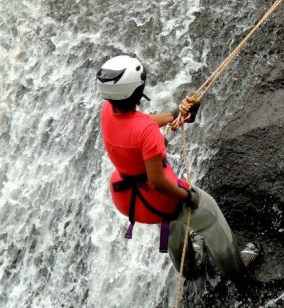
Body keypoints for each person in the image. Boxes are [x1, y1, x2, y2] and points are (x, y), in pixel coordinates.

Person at [96, 54, 259, 280]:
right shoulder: (146, 133)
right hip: (157, 195)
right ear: (136, 91)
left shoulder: (107, 111)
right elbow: (158, 182)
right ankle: (235, 269)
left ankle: (190, 268)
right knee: (207, 211)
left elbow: (139, 124)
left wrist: (175, 115)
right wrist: (186, 196)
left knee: (171, 221)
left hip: (132, 198)